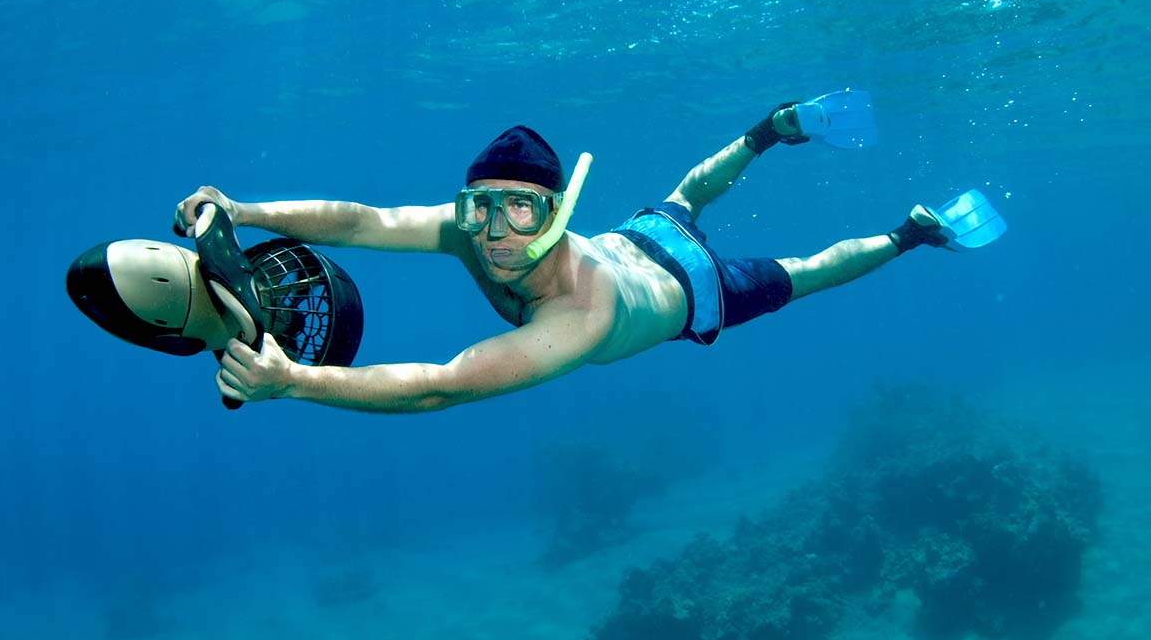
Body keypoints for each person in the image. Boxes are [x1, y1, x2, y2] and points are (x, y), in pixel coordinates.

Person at [173, 103, 947, 413]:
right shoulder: (474, 228)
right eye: (482, 205)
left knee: (805, 273)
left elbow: (438, 387)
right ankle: (769, 131)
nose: (497, 232)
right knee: (684, 194)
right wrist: (242, 209)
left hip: (691, 284)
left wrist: (295, 381)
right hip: (634, 237)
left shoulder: (578, 316)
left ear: (554, 211)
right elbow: (365, 220)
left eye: (523, 208)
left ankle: (907, 234)